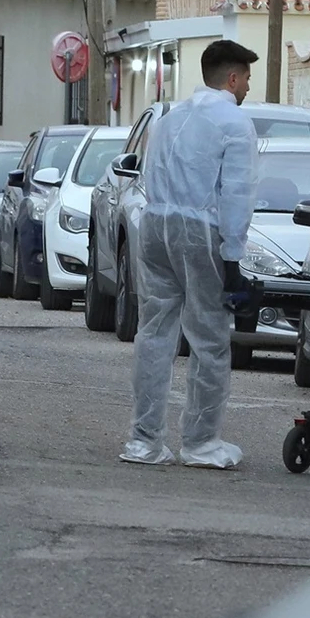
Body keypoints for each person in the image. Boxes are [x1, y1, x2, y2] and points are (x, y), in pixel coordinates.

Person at [121, 39, 260, 469]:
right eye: (247, 80)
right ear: (233, 78)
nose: (247, 88)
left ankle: (143, 441)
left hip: (156, 226)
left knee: (154, 334)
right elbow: (237, 193)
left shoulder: (168, 118)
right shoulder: (234, 123)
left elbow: (149, 175)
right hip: (200, 231)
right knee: (210, 339)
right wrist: (233, 259)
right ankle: (201, 443)